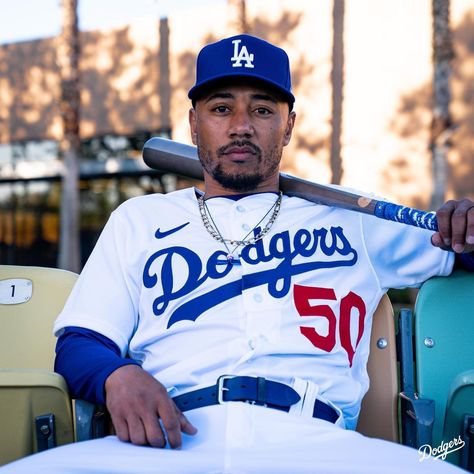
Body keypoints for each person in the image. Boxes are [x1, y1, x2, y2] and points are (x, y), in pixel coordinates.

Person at [2, 34, 473, 474]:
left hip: (318, 442)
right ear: (193, 124)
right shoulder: (139, 220)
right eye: (221, 108)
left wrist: (466, 226)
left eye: (263, 110)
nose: (241, 127)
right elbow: (81, 341)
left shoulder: (355, 220)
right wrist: (117, 375)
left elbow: (461, 249)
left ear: (288, 126)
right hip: (173, 439)